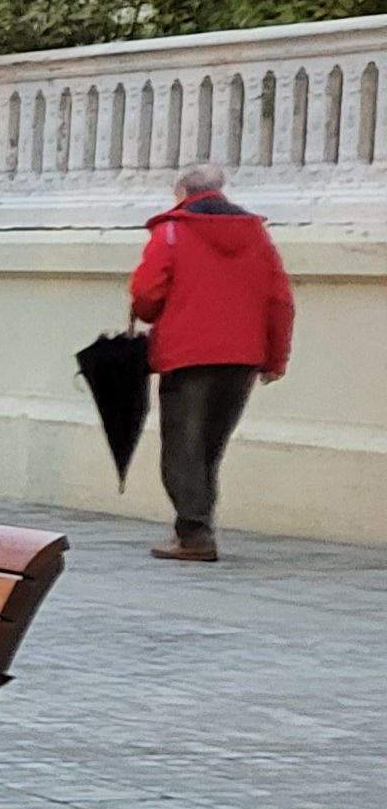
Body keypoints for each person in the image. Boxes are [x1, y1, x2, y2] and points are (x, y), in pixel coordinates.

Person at [127, 160, 295, 561]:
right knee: (210, 448)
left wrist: (144, 308)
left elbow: (148, 295)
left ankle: (194, 535)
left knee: (183, 447)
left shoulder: (171, 231)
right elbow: (279, 301)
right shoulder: (256, 236)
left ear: (182, 192)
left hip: (187, 356)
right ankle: (197, 526)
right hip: (242, 359)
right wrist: (275, 358)